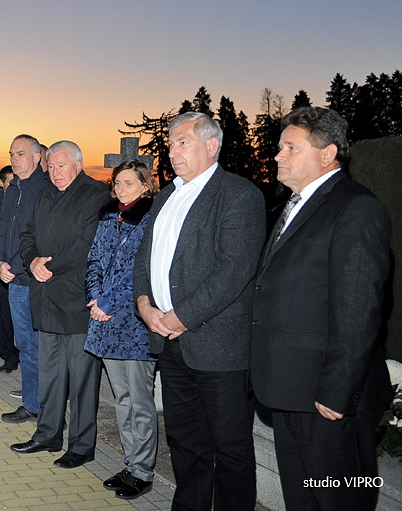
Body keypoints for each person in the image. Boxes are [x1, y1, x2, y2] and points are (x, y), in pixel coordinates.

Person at [250, 107, 391, 511]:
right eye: (280, 147)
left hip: (326, 400)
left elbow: (359, 309)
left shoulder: (356, 207)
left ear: (327, 154)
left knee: (339, 500)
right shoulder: (291, 206)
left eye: (290, 148)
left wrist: (338, 391)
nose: (278, 155)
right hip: (288, 388)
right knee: (302, 500)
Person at [133, 112, 265, 511]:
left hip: (217, 346)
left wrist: (180, 317)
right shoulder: (167, 196)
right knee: (185, 441)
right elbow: (144, 258)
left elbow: (235, 270)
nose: (172, 152)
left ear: (211, 146)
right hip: (169, 343)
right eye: (170, 144)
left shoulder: (238, 194)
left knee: (229, 448)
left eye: (182, 143)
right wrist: (144, 304)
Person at [11, 140, 110, 470]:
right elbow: (27, 233)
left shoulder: (95, 194)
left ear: (78, 165)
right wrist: (31, 261)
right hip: (44, 297)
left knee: (81, 380)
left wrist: (47, 266)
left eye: (61, 165)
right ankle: (48, 434)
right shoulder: (44, 194)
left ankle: (81, 446)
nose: (55, 172)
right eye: (51, 166)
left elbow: (87, 244)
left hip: (76, 300)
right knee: (50, 375)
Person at [85, 160, 158, 500]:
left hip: (134, 322)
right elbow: (94, 260)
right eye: (117, 183)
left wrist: (107, 303)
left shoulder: (151, 219)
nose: (121, 188)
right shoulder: (107, 217)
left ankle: (143, 471)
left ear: (145, 185)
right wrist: (94, 298)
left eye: (129, 182)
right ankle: (130, 464)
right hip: (105, 321)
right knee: (122, 399)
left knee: (140, 401)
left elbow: (140, 270)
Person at [0, 135, 47, 423]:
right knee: (25, 344)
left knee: (41, 347)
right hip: (13, 280)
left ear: (37, 157)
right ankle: (32, 404)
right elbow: (2, 228)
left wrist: (12, 266)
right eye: (12, 154)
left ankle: (47, 409)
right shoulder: (13, 188)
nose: (14, 159)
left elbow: (40, 235)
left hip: (35, 281)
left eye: (21, 153)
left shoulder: (46, 188)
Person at [0, 165, 18, 373]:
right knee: (3, 316)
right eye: (10, 181)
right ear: (1, 183)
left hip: (21, 270)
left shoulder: (26, 203)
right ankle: (9, 356)